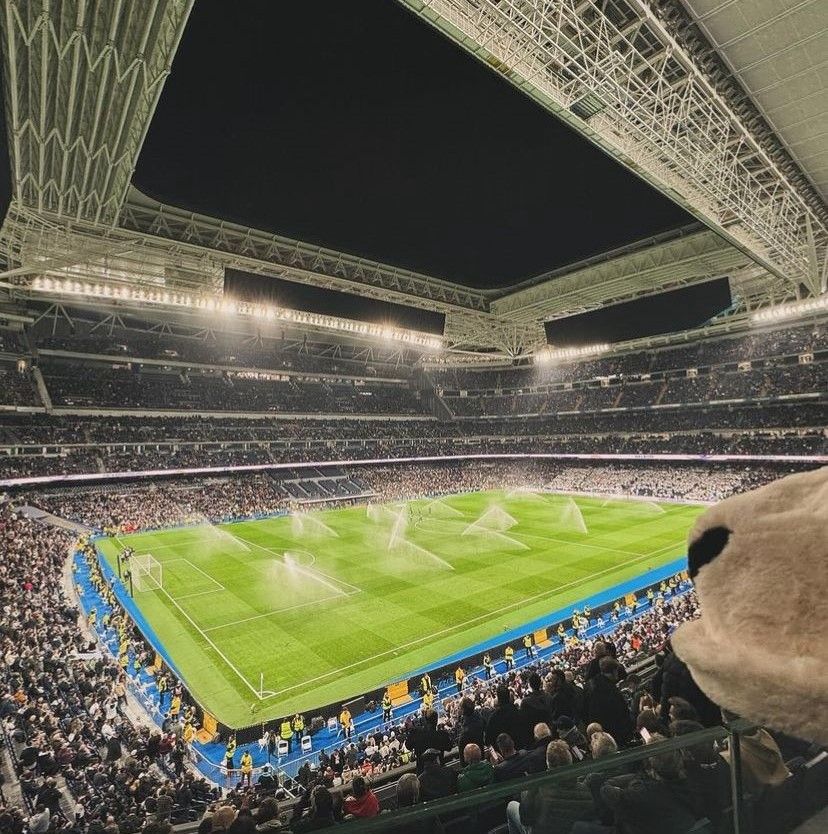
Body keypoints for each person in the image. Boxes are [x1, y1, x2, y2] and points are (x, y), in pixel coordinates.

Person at [507, 740, 593, 834]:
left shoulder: (537, 789)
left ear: (547, 763)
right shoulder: (585, 790)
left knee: (511, 806)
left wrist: (527, 793)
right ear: (570, 761)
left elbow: (525, 820)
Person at [584, 657, 633, 746]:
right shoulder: (611, 690)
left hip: (600, 733)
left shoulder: (590, 684)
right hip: (615, 735)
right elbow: (621, 714)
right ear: (614, 671)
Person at [485, 685, 522, 753]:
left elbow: (487, 741)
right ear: (509, 697)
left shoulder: (493, 718)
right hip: (522, 749)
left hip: (505, 756)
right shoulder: (519, 711)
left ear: (498, 699)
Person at [518, 672, 552, 747]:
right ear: (540, 683)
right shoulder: (549, 697)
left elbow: (523, 722)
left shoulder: (526, 702)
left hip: (536, 739)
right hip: (551, 731)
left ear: (530, 684)